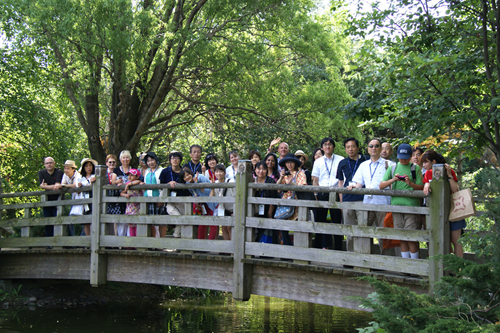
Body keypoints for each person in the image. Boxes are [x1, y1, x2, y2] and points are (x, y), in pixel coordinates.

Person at [348, 139, 394, 253]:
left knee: (384, 234)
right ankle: (365, 259)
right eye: (371, 146)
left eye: (376, 146)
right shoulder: (363, 165)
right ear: (368, 149)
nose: (373, 148)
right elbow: (359, 183)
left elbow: (396, 184)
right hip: (367, 204)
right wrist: (353, 186)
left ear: (380, 148)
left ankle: (385, 261)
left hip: (383, 204)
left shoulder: (390, 164)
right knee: (364, 232)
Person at [379, 143, 424, 260]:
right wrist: (393, 180)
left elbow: (421, 187)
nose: (403, 160)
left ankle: (414, 264)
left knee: (412, 236)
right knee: (401, 236)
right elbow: (381, 185)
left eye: (405, 158)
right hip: (396, 207)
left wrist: (410, 184)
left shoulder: (415, 168)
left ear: (410, 156)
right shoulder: (392, 168)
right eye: (401, 157)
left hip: (412, 207)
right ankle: (405, 265)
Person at [422, 150, 464, 257]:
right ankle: (448, 270)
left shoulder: (448, 171)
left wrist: (449, 175)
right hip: (438, 211)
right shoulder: (428, 173)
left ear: (433, 161)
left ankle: (458, 270)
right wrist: (427, 185)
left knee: (456, 241)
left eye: (426, 162)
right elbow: (426, 185)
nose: (424, 165)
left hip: (453, 209)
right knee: (444, 241)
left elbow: (455, 190)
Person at [311, 138, 343, 250]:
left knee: (337, 222)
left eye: (330, 145)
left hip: (336, 192)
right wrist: (315, 195)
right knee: (320, 222)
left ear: (333, 147)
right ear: (322, 148)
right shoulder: (318, 161)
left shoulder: (340, 159)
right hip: (322, 193)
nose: (328, 147)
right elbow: (315, 179)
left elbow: (342, 179)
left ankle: (339, 249)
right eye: (325, 145)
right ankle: (318, 248)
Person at [337, 138, 367, 251]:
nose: (350, 149)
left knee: (363, 229)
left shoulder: (365, 160)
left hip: (362, 199)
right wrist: (341, 202)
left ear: (358, 148)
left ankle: (363, 255)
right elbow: (340, 182)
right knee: (349, 230)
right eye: (348, 147)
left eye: (353, 146)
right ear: (345, 149)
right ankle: (350, 255)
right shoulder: (342, 163)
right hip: (347, 199)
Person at [277, 153, 307, 245]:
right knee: (282, 226)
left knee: (298, 227)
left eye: (291, 162)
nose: (289, 165)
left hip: (297, 203)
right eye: (287, 163)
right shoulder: (284, 174)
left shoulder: (301, 173)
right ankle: (287, 246)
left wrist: (291, 184)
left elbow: (303, 188)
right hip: (286, 203)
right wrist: (282, 177)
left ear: (295, 163)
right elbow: (278, 190)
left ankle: (298, 248)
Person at [178, 169, 217, 240]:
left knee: (213, 223)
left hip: (212, 201)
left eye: (188, 174)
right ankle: (200, 245)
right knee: (202, 224)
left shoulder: (201, 177)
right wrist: (196, 202)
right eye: (184, 177)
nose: (187, 177)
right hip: (202, 204)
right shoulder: (188, 184)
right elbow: (194, 194)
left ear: (191, 173)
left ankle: (211, 245)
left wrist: (197, 183)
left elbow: (206, 191)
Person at [160, 151, 187, 238]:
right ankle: (176, 237)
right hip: (169, 201)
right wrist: (168, 183)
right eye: (172, 158)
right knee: (179, 219)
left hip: (182, 201)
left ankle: (181, 242)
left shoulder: (184, 172)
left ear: (180, 160)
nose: (174, 160)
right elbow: (160, 186)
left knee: (185, 222)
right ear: (170, 160)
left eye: (176, 158)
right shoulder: (165, 172)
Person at [253, 161, 279, 243]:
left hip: (269, 209)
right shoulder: (252, 181)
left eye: (263, 169)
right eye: (259, 169)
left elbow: (273, 198)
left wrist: (270, 213)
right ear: (255, 170)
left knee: (269, 230)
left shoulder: (270, 181)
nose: (261, 171)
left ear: (267, 170)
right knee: (256, 230)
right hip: (256, 210)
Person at [38, 157, 64, 237]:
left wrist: (46, 186)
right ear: (44, 165)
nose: (49, 165)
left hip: (58, 200)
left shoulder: (59, 171)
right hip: (47, 201)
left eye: (50, 163)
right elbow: (42, 186)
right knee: (47, 222)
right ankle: (48, 243)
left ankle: (58, 242)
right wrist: (54, 186)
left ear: (54, 163)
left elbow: (58, 185)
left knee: (58, 221)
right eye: (47, 163)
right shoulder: (41, 173)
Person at [143, 152, 165, 239]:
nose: (150, 162)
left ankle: (161, 242)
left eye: (152, 160)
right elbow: (145, 183)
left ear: (156, 160)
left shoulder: (162, 170)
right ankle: (152, 242)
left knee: (160, 221)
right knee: (150, 221)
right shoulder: (146, 171)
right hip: (147, 198)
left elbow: (164, 186)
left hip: (158, 198)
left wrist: (161, 199)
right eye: (148, 161)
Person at [209, 164, 235, 241]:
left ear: (224, 173)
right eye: (216, 172)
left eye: (221, 171)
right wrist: (212, 187)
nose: (218, 173)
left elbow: (237, 197)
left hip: (233, 209)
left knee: (229, 227)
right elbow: (211, 198)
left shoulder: (231, 182)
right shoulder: (216, 183)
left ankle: (232, 248)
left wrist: (235, 211)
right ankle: (227, 249)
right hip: (223, 209)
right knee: (224, 228)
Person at [57, 160, 81, 236]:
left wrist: (64, 186)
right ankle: (72, 240)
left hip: (81, 198)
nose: (66, 170)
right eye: (65, 168)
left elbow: (75, 185)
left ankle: (82, 239)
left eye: (68, 169)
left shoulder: (78, 175)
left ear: (73, 169)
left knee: (83, 219)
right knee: (70, 219)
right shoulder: (65, 175)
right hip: (73, 198)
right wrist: (63, 185)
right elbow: (62, 184)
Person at [113, 150, 133, 236]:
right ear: (120, 159)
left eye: (127, 157)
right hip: (119, 198)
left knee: (129, 220)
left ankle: (128, 242)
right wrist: (118, 181)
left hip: (130, 197)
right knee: (120, 220)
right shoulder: (116, 170)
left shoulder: (132, 170)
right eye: (123, 157)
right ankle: (120, 240)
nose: (125, 159)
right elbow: (112, 182)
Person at [76, 158, 97, 237]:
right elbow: (77, 192)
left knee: (94, 219)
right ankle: (87, 239)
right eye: (87, 166)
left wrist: (93, 182)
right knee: (85, 222)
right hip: (84, 201)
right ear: (84, 168)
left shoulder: (95, 176)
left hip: (94, 200)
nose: (89, 168)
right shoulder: (80, 178)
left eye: (90, 165)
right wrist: (79, 187)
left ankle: (94, 239)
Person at [120, 169, 143, 238]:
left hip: (138, 208)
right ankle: (132, 243)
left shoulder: (138, 183)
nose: (129, 177)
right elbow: (122, 193)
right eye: (128, 175)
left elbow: (138, 182)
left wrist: (130, 184)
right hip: (130, 207)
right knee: (131, 224)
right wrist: (125, 195)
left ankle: (138, 242)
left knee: (138, 224)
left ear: (137, 176)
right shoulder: (127, 185)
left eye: (132, 175)